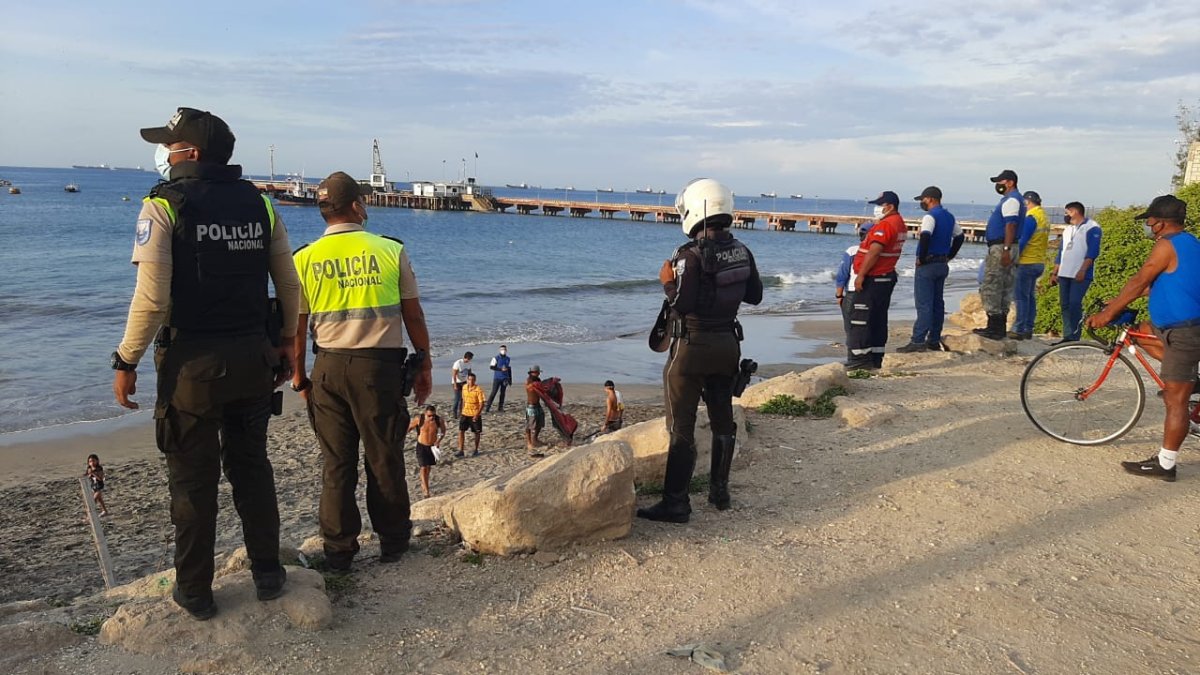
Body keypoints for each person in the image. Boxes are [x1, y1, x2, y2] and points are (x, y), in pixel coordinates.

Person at [112, 107, 300, 620]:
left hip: (192, 367)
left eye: (169, 145)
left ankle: (195, 591)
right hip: (253, 359)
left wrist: (125, 358)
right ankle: (268, 574)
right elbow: (288, 285)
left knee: (194, 482)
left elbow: (151, 300)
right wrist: (287, 341)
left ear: (189, 153)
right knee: (252, 469)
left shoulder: (162, 206)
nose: (164, 154)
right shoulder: (260, 205)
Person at [291, 171, 433, 573]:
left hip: (328, 368)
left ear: (323, 212)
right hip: (378, 369)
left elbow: (296, 328)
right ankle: (392, 543)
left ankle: (339, 552)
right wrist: (423, 361)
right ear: (357, 206)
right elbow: (413, 314)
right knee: (383, 457)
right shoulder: (389, 251)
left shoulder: (304, 258)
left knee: (336, 463)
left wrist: (300, 377)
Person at [638, 178, 763, 523]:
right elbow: (755, 296)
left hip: (690, 348)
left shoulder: (686, 255)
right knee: (723, 419)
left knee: (682, 427)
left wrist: (666, 279)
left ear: (695, 209)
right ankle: (719, 492)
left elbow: (682, 301)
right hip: (728, 346)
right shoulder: (742, 250)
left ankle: (676, 502)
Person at [1086, 195, 1197, 481]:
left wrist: (1108, 313)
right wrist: (1117, 301)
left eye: (1149, 220)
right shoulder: (1190, 243)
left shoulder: (1167, 244)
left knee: (1175, 401)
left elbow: (1141, 280)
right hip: (1175, 328)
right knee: (1142, 332)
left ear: (1160, 222)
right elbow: (1164, 283)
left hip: (1185, 331)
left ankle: (1166, 464)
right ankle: (1192, 382)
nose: (1147, 225)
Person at [898, 187, 964, 352]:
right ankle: (934, 339)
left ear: (931, 199)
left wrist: (921, 256)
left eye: (923, 199)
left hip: (928, 265)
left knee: (924, 304)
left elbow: (926, 236)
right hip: (942, 263)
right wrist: (950, 255)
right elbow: (960, 236)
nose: (922, 203)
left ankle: (918, 340)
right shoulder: (949, 217)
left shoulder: (930, 216)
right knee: (937, 303)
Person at [845, 191, 906, 369]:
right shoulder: (899, 224)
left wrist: (861, 275)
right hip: (885, 277)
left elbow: (874, 251)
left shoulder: (886, 225)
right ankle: (875, 358)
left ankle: (859, 360)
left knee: (860, 319)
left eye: (880, 205)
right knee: (878, 318)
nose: (877, 209)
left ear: (890, 206)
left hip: (874, 278)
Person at [975, 169, 1027, 339]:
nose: (998, 185)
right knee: (1005, 286)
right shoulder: (1016, 199)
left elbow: (1010, 225)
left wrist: (1005, 250)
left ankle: (994, 327)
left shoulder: (1012, 200)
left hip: (1002, 246)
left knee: (992, 285)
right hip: (1010, 246)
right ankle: (999, 327)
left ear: (1010, 182)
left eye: (1001, 182)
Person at [1050, 201, 1102, 343]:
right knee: (1065, 304)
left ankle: (1075, 335)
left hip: (1080, 273)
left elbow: (1092, 252)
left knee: (1074, 303)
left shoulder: (1092, 228)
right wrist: (1054, 273)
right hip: (1064, 273)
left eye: (1067, 212)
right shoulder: (1068, 230)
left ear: (1074, 211)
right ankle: (1068, 335)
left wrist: (1083, 269)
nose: (1065, 215)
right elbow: (1061, 252)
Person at [1008, 191, 1051, 340]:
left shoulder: (1031, 217)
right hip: (1039, 261)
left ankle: (1018, 329)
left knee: (1020, 297)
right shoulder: (1044, 217)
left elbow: (1022, 241)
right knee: (1030, 297)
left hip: (1026, 262)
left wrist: (1011, 258)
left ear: (1027, 202)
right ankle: (1028, 328)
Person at [835, 227, 867, 360]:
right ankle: (867, 355)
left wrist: (839, 295)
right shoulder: (879, 252)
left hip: (853, 292)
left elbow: (842, 274)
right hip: (873, 292)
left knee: (851, 326)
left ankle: (853, 356)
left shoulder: (853, 250)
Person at [408, 405, 446, 498]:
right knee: (423, 467)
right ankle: (426, 490)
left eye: (433, 415)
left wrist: (438, 441)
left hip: (432, 447)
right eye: (429, 416)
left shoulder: (439, 420)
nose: (431, 417)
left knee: (428, 468)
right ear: (425, 414)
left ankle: (424, 482)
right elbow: (409, 428)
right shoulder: (419, 419)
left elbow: (443, 431)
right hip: (421, 446)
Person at [457, 372, 485, 457]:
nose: (471, 381)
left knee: (476, 432)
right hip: (465, 413)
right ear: (467, 380)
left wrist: (477, 414)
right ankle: (461, 450)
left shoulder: (478, 389)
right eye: (469, 379)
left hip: (474, 414)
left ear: (475, 380)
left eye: (472, 380)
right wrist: (461, 410)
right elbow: (463, 400)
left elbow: (482, 403)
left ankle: (476, 449)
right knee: (461, 431)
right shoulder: (464, 387)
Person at [525, 365, 546, 456]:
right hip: (531, 405)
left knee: (540, 421)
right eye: (535, 372)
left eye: (537, 373)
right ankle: (529, 442)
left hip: (537, 404)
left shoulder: (538, 380)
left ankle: (535, 439)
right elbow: (528, 387)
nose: (536, 374)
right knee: (530, 424)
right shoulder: (529, 380)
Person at [485, 345, 512, 413]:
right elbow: (491, 367)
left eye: (505, 349)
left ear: (506, 350)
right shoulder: (496, 358)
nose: (503, 351)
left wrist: (510, 379)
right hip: (497, 378)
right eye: (502, 349)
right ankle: (487, 407)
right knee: (493, 393)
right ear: (500, 350)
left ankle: (500, 407)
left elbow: (509, 369)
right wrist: (500, 369)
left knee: (503, 393)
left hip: (505, 378)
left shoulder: (508, 358)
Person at [451, 352, 474, 418]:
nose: (469, 360)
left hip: (464, 382)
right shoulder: (458, 363)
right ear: (466, 357)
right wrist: (455, 385)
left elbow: (469, 373)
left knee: (463, 398)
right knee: (457, 398)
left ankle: (461, 412)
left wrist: (470, 382)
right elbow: (454, 375)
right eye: (469, 359)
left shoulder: (469, 363)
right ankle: (454, 412)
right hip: (457, 382)